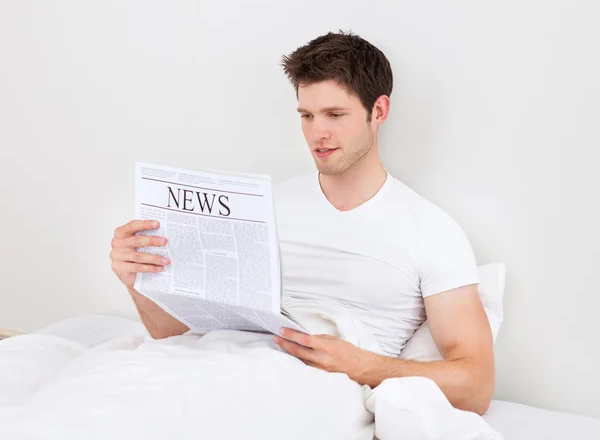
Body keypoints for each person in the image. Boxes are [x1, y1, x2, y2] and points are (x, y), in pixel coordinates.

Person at [110, 31, 494, 415]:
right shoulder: (264, 205)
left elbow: (476, 386)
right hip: (219, 363)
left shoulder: (431, 232)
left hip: (315, 391)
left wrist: (366, 366)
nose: (317, 133)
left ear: (378, 111)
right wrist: (140, 283)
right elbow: (170, 334)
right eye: (306, 116)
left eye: (335, 115)